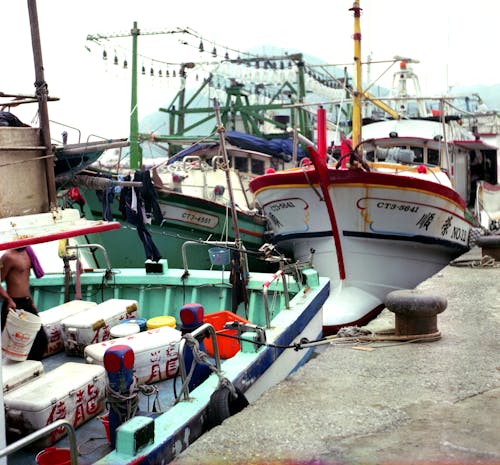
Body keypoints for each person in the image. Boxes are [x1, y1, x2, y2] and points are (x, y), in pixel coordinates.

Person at [0, 247, 48, 361]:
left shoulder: (28, 253)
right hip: (14, 305)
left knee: (41, 339)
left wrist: (31, 300)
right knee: (15, 344)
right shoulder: (7, 257)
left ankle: (32, 367)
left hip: (27, 302)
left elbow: (24, 280)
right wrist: (8, 300)